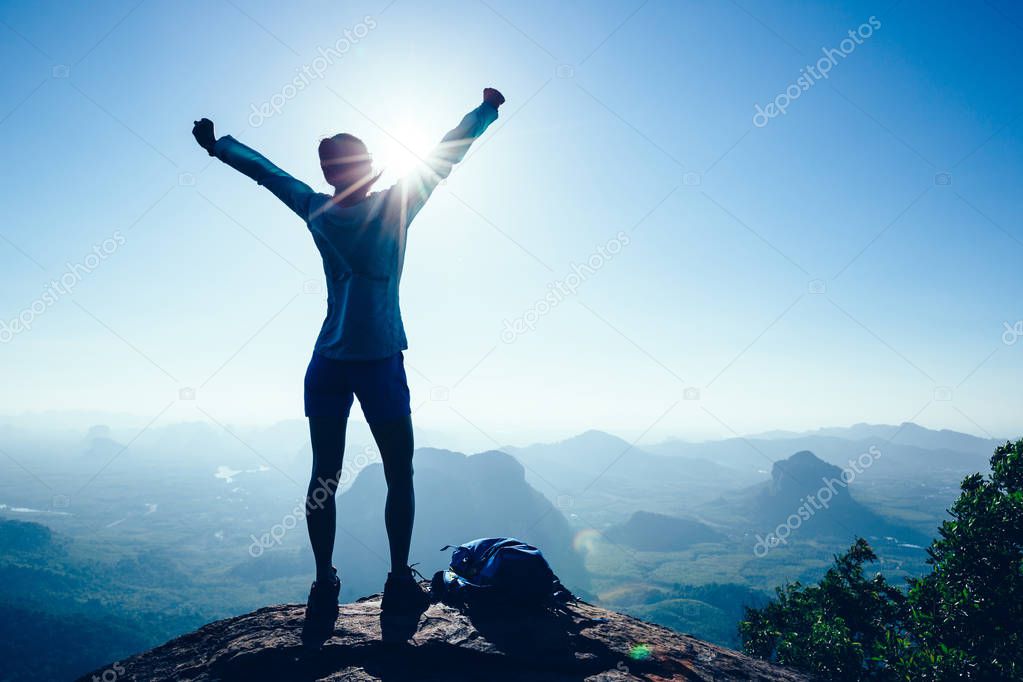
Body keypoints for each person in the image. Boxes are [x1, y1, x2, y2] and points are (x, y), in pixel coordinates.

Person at [191, 87, 505, 646]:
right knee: (397, 472)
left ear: (333, 173)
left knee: (324, 479)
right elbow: (447, 152)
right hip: (379, 360)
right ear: (363, 166)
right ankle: (395, 580)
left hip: (329, 361)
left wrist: (219, 148)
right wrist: (485, 111)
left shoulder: (317, 207)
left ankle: (323, 583)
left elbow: (268, 173)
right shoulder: (397, 203)